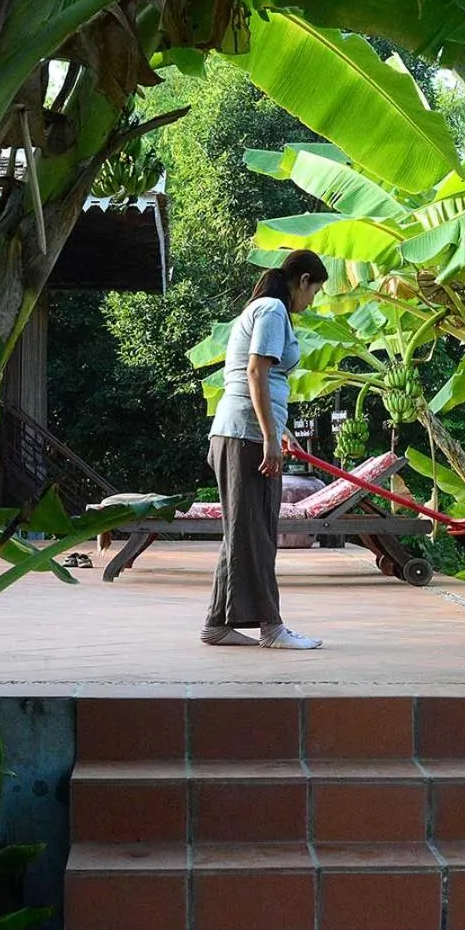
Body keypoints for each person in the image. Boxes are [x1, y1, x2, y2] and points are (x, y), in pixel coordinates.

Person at [201, 249, 329, 649]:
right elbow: (255, 371)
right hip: (246, 436)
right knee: (254, 533)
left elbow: (264, 379)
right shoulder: (273, 309)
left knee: (244, 530)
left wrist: (282, 429)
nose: (313, 301)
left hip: (243, 432)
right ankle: (271, 628)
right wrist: (270, 438)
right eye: (316, 291)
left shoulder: (267, 309)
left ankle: (217, 624)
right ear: (303, 280)